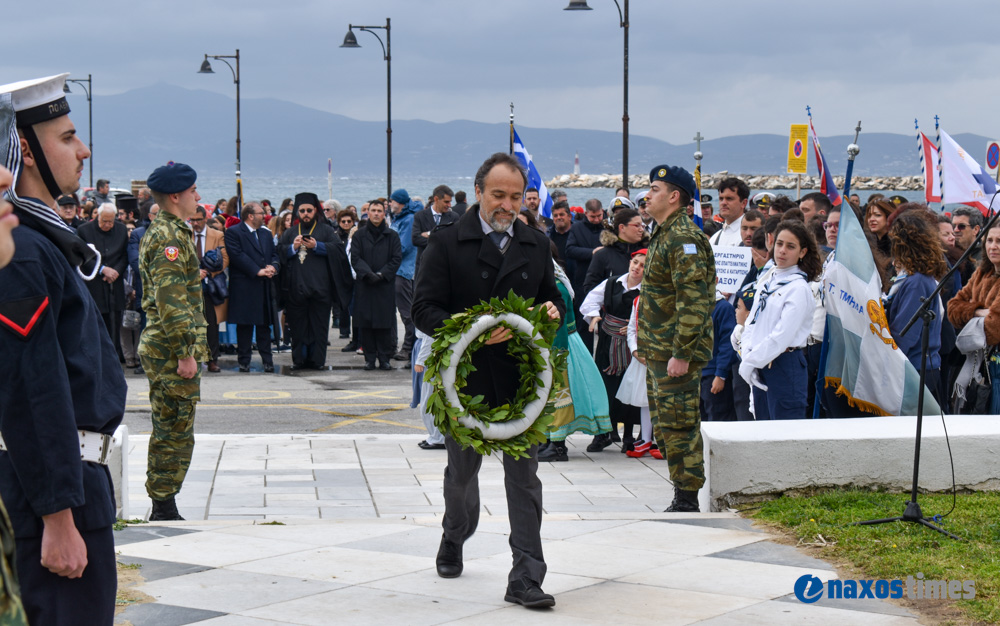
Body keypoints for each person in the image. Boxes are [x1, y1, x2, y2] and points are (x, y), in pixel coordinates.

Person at [412, 153, 564, 608]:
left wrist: (552, 311)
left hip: (519, 384)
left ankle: (526, 576)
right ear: (478, 192)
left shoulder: (536, 243)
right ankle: (454, 534)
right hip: (465, 382)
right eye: (498, 195)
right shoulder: (446, 242)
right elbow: (423, 308)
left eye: (515, 197)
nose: (507, 205)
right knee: (461, 475)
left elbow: (551, 298)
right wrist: (471, 330)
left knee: (525, 479)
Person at [0, 73, 123, 625]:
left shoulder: (40, 242)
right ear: (26, 151)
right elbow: (33, 386)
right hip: (45, 495)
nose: (83, 150)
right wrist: (58, 515)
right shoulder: (22, 251)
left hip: (62, 483)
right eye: (68, 137)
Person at [638, 164, 715, 513]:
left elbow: (693, 300)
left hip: (676, 351)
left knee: (680, 424)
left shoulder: (683, 238)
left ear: (673, 197)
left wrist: (682, 353)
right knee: (666, 425)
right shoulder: (664, 232)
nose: (647, 195)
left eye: (654, 189)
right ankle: (681, 491)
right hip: (659, 349)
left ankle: (687, 498)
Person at [138, 162, 208, 521]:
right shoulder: (168, 238)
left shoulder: (170, 231)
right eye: (193, 190)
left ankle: (164, 502)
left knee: (173, 425)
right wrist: (184, 353)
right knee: (173, 428)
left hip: (165, 344)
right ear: (176, 196)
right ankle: (163, 505)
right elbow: (171, 301)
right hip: (169, 348)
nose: (198, 196)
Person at [736, 220, 820, 420]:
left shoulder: (798, 288)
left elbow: (781, 336)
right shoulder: (768, 280)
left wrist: (751, 361)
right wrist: (747, 353)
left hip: (784, 364)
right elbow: (752, 322)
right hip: (760, 361)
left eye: (790, 246)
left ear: (802, 252)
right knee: (762, 427)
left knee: (784, 431)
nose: (782, 250)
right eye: (780, 243)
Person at [538, 250, 612, 462]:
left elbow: (558, 325)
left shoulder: (557, 287)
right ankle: (548, 440)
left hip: (561, 346)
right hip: (552, 345)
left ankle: (558, 446)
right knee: (550, 395)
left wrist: (557, 354)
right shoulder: (549, 284)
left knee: (560, 395)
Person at [580, 247, 644, 452]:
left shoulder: (649, 290)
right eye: (635, 262)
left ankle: (628, 437)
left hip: (633, 347)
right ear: (630, 262)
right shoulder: (611, 283)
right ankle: (602, 435)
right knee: (604, 389)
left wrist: (635, 326)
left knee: (629, 388)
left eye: (643, 265)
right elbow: (589, 302)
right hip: (607, 345)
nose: (637, 268)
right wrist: (595, 316)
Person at [885, 210, 947, 400]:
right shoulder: (921, 278)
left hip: (915, 369)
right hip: (922, 366)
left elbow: (905, 333)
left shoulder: (916, 282)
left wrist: (887, 364)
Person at [278, 192, 340, 370]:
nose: (306, 214)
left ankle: (318, 361)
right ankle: (299, 360)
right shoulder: (290, 233)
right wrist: (293, 247)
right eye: (302, 211)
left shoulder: (326, 231)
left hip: (320, 289)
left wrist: (318, 246)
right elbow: (279, 252)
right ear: (297, 212)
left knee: (319, 327)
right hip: (296, 289)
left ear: (315, 211)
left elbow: (338, 250)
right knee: (298, 327)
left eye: (309, 210)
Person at [948, 222, 1000, 412]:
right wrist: (978, 311)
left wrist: (969, 313)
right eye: (990, 241)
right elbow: (952, 309)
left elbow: (994, 329)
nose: (993, 246)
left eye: (999, 241)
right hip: (978, 365)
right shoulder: (982, 274)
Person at [225, 201, 278, 372]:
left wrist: (273, 267)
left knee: (264, 326)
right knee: (244, 326)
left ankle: (267, 360)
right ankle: (244, 361)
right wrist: (257, 270)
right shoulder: (234, 232)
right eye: (261, 213)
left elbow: (274, 254)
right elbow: (237, 255)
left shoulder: (265, 233)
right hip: (245, 285)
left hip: (263, 286)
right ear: (251, 216)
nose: (264, 216)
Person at [351, 199, 401, 370]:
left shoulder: (392, 236)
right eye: (373, 210)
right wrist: (368, 274)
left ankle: (384, 358)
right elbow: (355, 258)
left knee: (384, 324)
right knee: (366, 324)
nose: (376, 214)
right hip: (365, 285)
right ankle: (369, 358)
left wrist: (381, 274)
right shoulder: (359, 235)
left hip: (384, 285)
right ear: (368, 212)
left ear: (384, 214)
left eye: (379, 211)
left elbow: (396, 259)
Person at [77, 203, 129, 352]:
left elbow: (124, 255)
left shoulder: (121, 230)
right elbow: (82, 256)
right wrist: (102, 269)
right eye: (104, 221)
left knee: (115, 322)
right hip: (94, 282)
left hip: (115, 282)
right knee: (96, 321)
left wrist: (116, 271)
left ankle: (115, 353)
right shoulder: (84, 230)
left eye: (110, 222)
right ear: (98, 217)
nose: (107, 225)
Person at [190, 205, 227, 372]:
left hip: (210, 286)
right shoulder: (184, 234)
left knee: (211, 324)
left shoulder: (217, 235)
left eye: (198, 220)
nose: (195, 223)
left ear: (205, 219)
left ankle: (212, 359)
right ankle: (192, 359)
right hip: (190, 286)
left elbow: (225, 258)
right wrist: (193, 274)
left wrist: (209, 272)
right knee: (190, 324)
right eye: (192, 220)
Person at [582, 207, 648, 297]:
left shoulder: (648, 253)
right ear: (622, 227)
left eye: (642, 226)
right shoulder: (602, 255)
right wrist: (611, 301)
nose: (641, 229)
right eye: (637, 226)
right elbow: (590, 287)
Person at [389, 189, 419, 362]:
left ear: (399, 202)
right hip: (397, 270)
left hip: (404, 272)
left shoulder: (408, 220)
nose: (389, 204)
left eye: (392, 201)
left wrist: (385, 254)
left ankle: (408, 348)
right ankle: (394, 346)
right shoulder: (399, 218)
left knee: (407, 313)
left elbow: (404, 246)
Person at [412, 184, 457, 265]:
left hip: (445, 266)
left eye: (450, 202)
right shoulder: (420, 216)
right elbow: (415, 239)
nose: (449, 205)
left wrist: (430, 234)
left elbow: (454, 241)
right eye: (446, 202)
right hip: (424, 266)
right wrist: (442, 239)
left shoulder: (454, 217)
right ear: (436, 199)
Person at [951, 206, 985, 285]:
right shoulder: (947, 254)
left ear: (975, 229)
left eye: (961, 226)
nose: (956, 230)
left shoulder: (986, 256)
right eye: (953, 226)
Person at [710, 177, 749, 246]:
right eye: (721, 199)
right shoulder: (714, 239)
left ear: (743, 203)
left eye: (729, 199)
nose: (723, 203)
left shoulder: (752, 236)